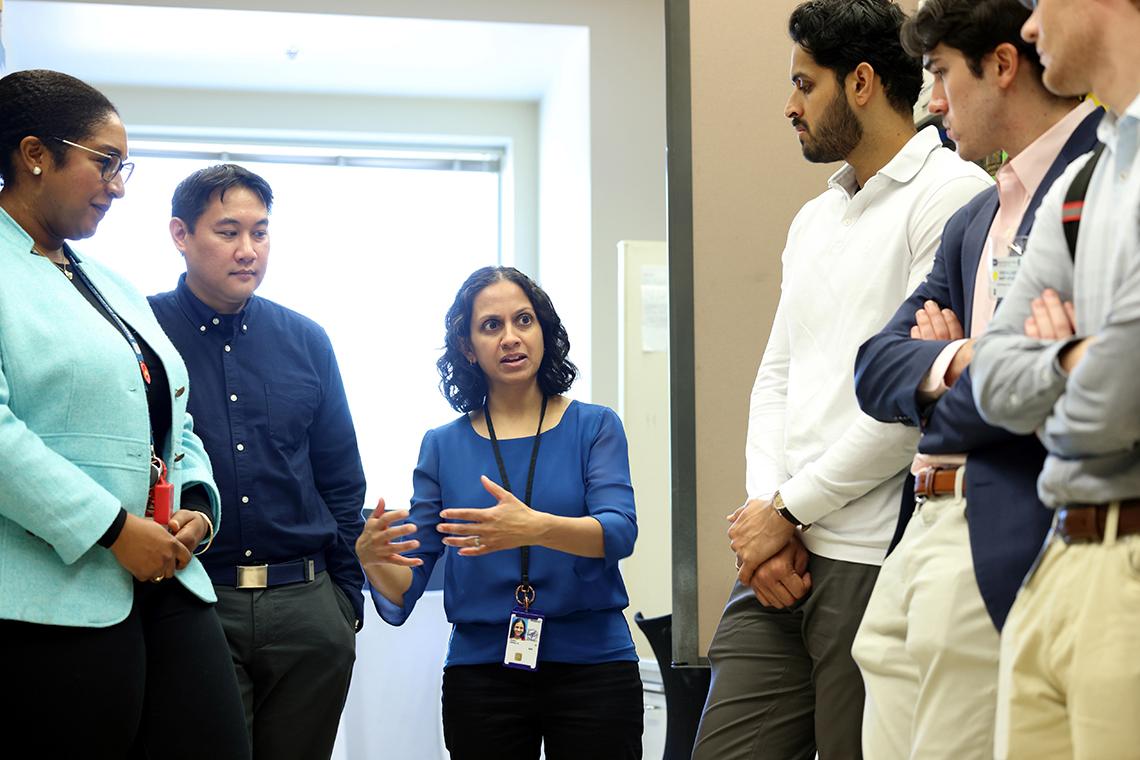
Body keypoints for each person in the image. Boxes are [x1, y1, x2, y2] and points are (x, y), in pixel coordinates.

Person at [690, 2, 994, 757]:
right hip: (780, 556)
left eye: (805, 83)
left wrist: (790, 511)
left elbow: (909, 401)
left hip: (870, 552)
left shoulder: (947, 194)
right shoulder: (812, 219)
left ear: (861, 82)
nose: (789, 106)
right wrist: (768, 517)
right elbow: (775, 378)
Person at [850, 1, 1102, 756]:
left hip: (1006, 514)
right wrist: (963, 360)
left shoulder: (1097, 180)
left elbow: (1066, 379)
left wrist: (952, 386)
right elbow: (875, 366)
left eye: (939, 75)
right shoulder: (974, 215)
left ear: (1001, 65)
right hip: (921, 524)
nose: (931, 105)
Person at [0, 69, 249, 758]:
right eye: (105, 163)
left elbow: (175, 412)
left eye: (123, 167)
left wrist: (195, 504)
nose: (117, 184)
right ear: (35, 154)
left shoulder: (108, 283)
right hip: (55, 596)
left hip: (169, 578)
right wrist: (115, 531)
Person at [356, 266, 642, 760]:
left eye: (524, 321)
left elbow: (618, 531)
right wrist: (372, 557)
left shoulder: (594, 426)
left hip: (594, 663)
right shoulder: (442, 446)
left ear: (543, 332)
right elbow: (411, 579)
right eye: (491, 325)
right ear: (468, 347)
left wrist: (534, 528)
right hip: (482, 672)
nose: (510, 338)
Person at [969, 0, 1140, 756]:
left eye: (1041, 1)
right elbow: (993, 380)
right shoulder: (1085, 177)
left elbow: (1119, 392)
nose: (1030, 26)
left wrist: (1055, 404)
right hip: (1059, 560)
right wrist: (1074, 358)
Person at [149, 164, 366, 760]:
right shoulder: (140, 331)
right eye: (227, 232)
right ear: (180, 234)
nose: (248, 250)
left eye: (261, 232)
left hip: (306, 605)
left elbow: (342, 479)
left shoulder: (307, 340)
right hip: (193, 599)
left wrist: (343, 602)